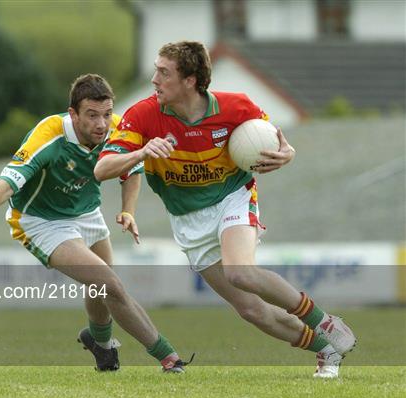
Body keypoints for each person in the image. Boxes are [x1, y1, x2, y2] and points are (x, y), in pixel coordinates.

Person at [94, 41, 357, 378]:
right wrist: (141, 153)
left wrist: (287, 153)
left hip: (234, 196)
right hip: (188, 219)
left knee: (240, 272)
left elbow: (276, 141)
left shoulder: (237, 107)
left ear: (190, 80)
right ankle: (326, 349)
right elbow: (102, 170)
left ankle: (324, 321)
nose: (154, 79)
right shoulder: (143, 115)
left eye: (164, 72)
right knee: (250, 309)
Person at [0, 74, 191, 373]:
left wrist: (128, 211)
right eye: (91, 115)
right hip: (40, 221)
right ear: (73, 113)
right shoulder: (49, 135)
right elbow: (7, 184)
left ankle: (100, 343)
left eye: (106, 113)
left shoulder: (115, 129)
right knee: (109, 283)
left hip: (87, 213)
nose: (101, 123)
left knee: (100, 287)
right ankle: (169, 357)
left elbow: (132, 169)